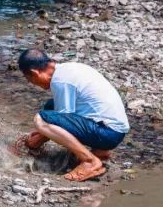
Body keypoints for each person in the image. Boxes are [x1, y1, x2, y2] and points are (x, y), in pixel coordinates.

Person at [15, 48, 129, 182]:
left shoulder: (60, 81)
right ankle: (100, 152)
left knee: (41, 120)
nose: (36, 85)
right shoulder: (67, 69)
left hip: (107, 133)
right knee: (51, 106)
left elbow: (60, 122)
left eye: (31, 80)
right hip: (116, 130)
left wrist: (37, 139)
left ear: (35, 73)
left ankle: (89, 161)